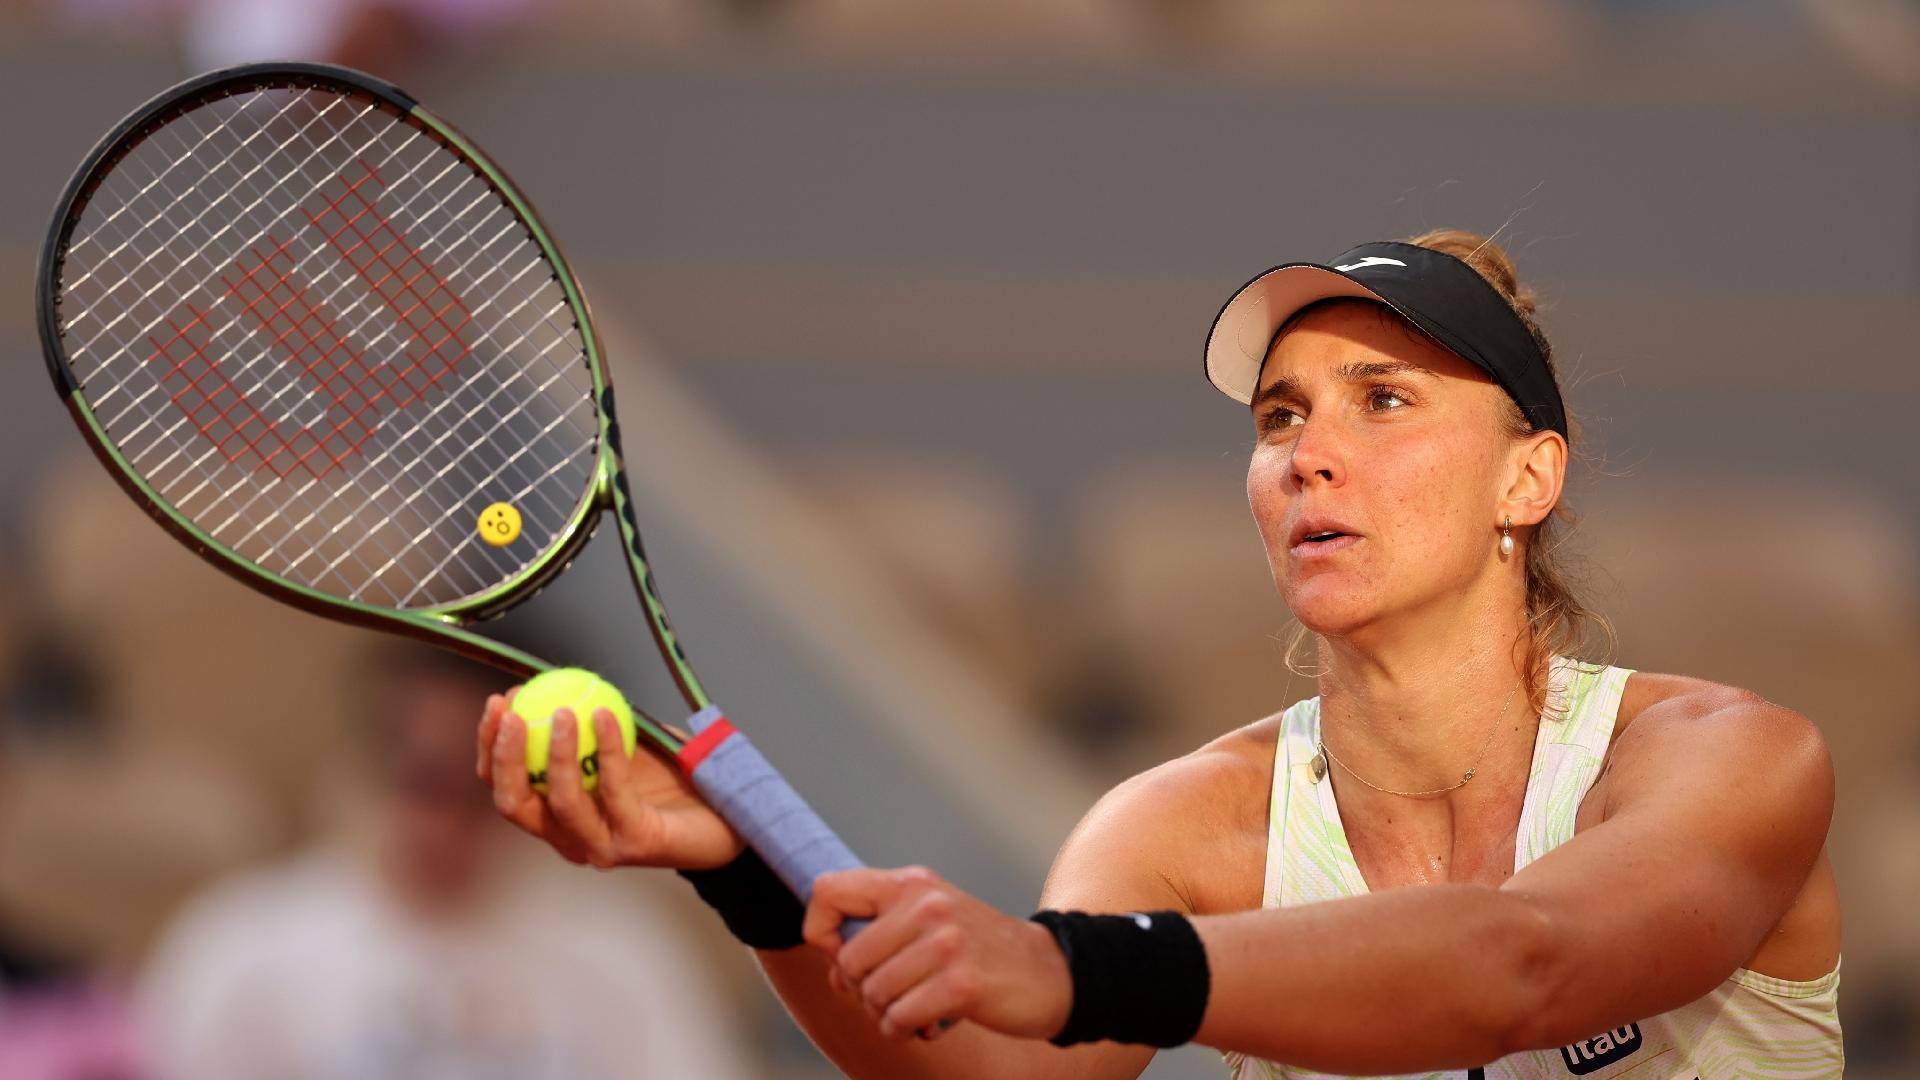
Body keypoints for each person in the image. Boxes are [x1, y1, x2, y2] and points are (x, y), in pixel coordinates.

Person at [478, 229, 1844, 1078]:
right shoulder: (1187, 825)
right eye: (1278, 415)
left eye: (1385, 402)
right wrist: (746, 873)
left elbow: (1523, 962)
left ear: (1527, 479)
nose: (1310, 451)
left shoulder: (1730, 761)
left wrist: (1086, 969)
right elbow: (1004, 1075)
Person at [145, 644, 758, 1080]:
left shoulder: (619, 953)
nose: (447, 827)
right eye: (426, 785)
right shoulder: (240, 944)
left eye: (482, 797)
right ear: (371, 768)